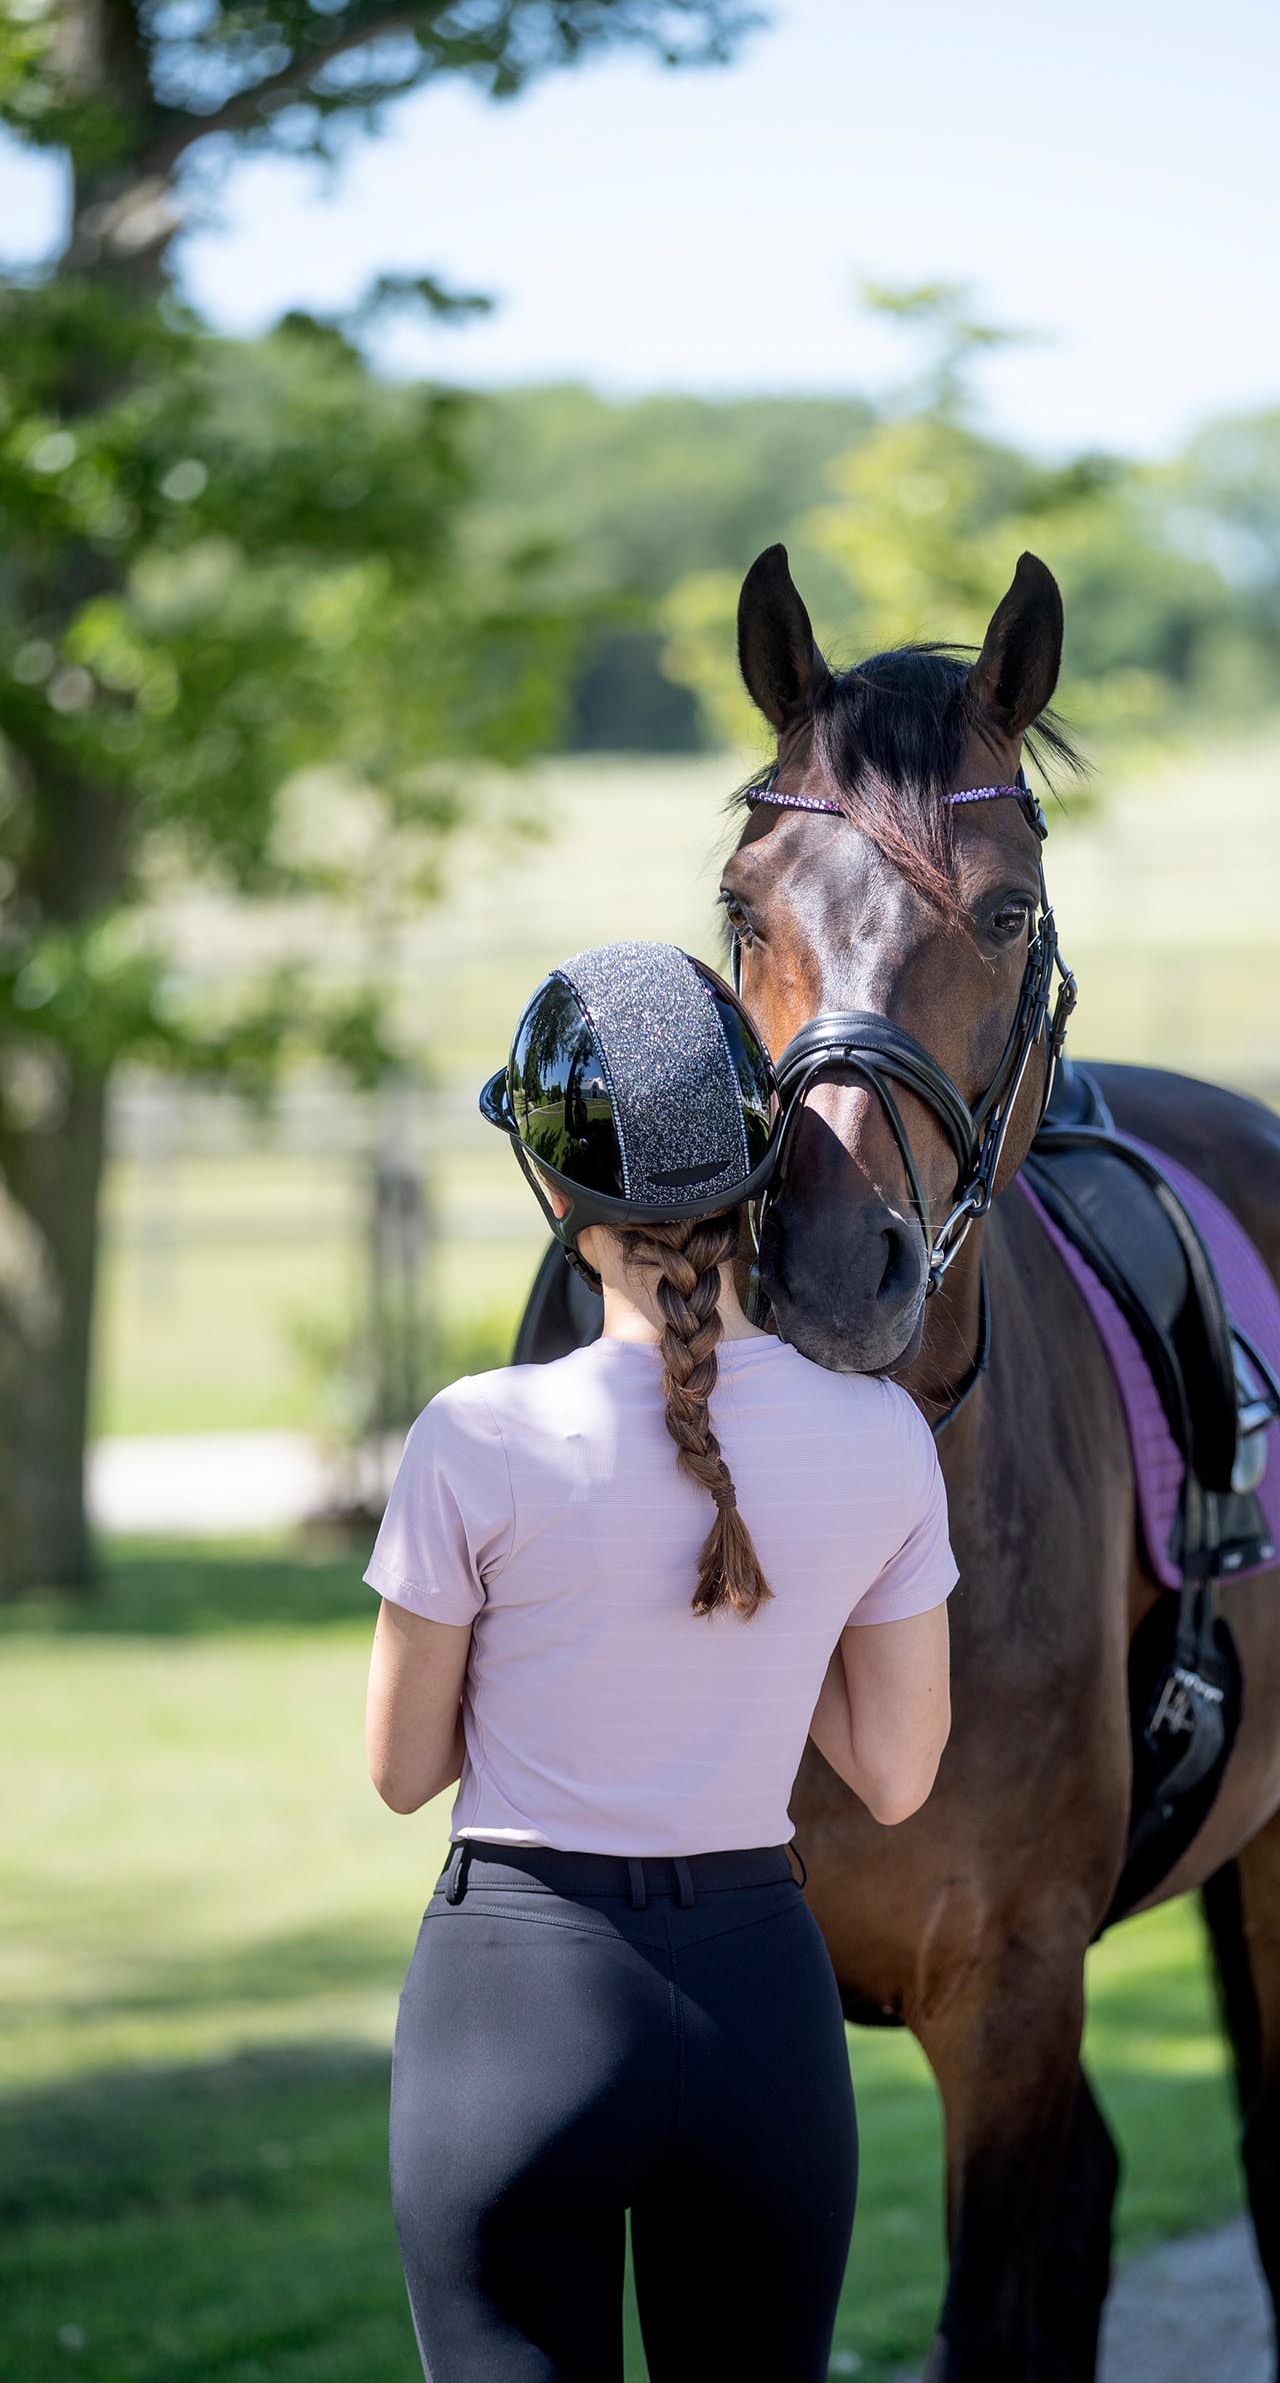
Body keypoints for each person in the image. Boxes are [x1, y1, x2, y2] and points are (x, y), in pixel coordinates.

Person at [363, 938, 959, 2383]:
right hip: (761, 2005)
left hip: (515, 2012)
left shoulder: (476, 1437)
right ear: (757, 1170)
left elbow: (401, 1771)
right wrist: (782, 1594)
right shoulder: (881, 1439)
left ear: (555, 1192)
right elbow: (893, 1774)